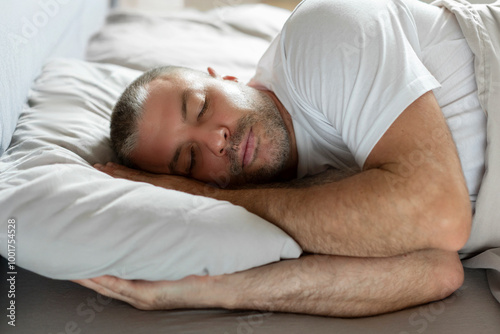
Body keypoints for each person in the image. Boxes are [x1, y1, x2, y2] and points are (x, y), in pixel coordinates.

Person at [74, 0, 500, 317]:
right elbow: (436, 269)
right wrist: (209, 290)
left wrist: (199, 190)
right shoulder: (286, 203)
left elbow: (440, 217)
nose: (216, 140)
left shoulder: (322, 32)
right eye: (189, 159)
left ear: (221, 77)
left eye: (202, 106)